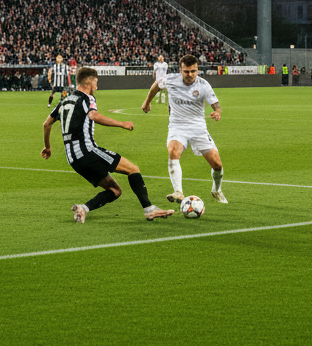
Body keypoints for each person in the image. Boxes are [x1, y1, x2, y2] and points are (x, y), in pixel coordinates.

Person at [42, 67, 175, 222]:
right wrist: (122, 124)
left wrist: (47, 147)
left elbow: (46, 124)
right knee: (133, 169)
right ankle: (149, 209)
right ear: (90, 82)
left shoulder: (63, 102)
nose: (97, 87)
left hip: (72, 159)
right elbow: (93, 115)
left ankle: (83, 208)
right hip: (87, 151)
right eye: (96, 82)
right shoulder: (88, 98)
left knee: (115, 190)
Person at [141, 54, 228, 204]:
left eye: (193, 71)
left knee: (217, 164)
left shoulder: (203, 85)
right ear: (180, 70)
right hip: (177, 125)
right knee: (173, 151)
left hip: (198, 128)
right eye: (187, 71)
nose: (190, 75)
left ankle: (216, 189)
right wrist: (147, 102)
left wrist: (217, 113)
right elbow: (156, 85)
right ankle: (178, 192)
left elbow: (217, 105)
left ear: (197, 70)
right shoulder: (170, 79)